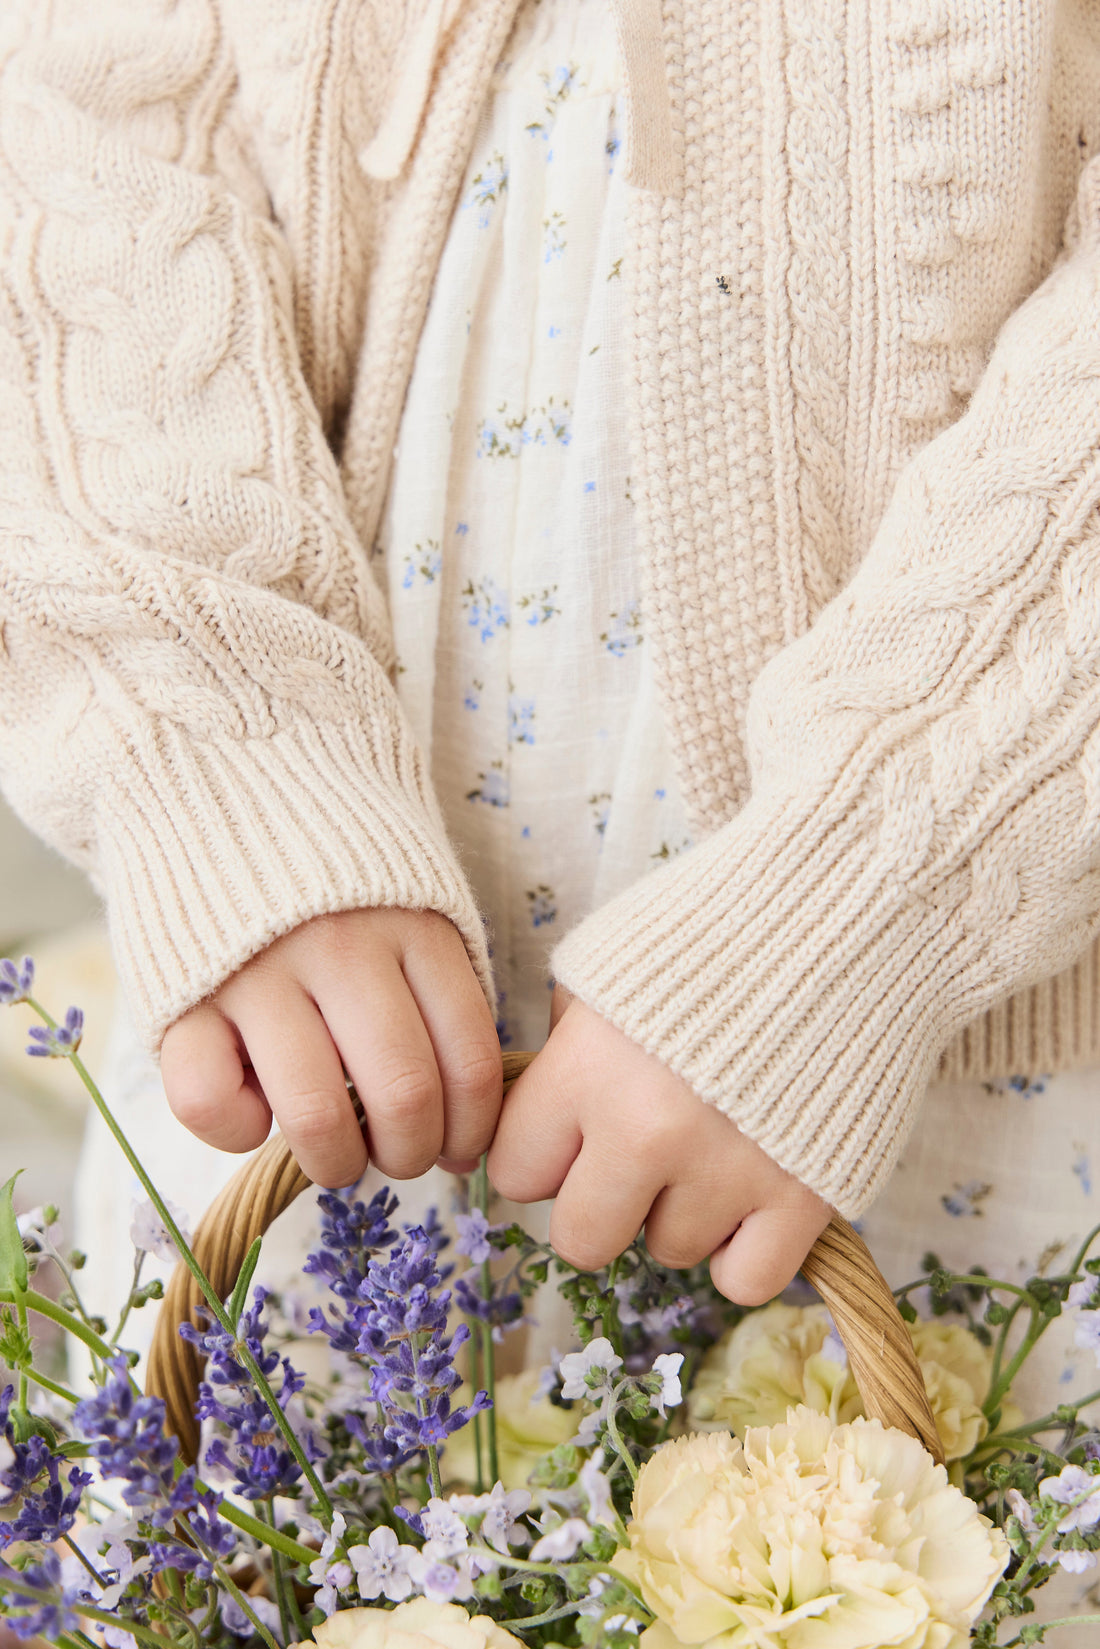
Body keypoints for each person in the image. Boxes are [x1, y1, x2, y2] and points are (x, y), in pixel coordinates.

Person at [1, 0, 1099, 1356]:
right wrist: (225, 737)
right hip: (308, 949)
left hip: (955, 975)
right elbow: (71, 113)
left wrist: (866, 890)